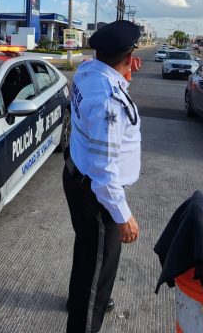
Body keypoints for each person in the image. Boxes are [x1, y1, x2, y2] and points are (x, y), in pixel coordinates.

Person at [64, 20, 142, 333]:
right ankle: (86, 310)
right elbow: (104, 170)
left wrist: (122, 74)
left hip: (75, 174)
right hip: (96, 194)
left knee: (87, 251)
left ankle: (82, 297)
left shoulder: (87, 71)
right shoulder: (110, 102)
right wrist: (122, 216)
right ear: (128, 55)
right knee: (98, 264)